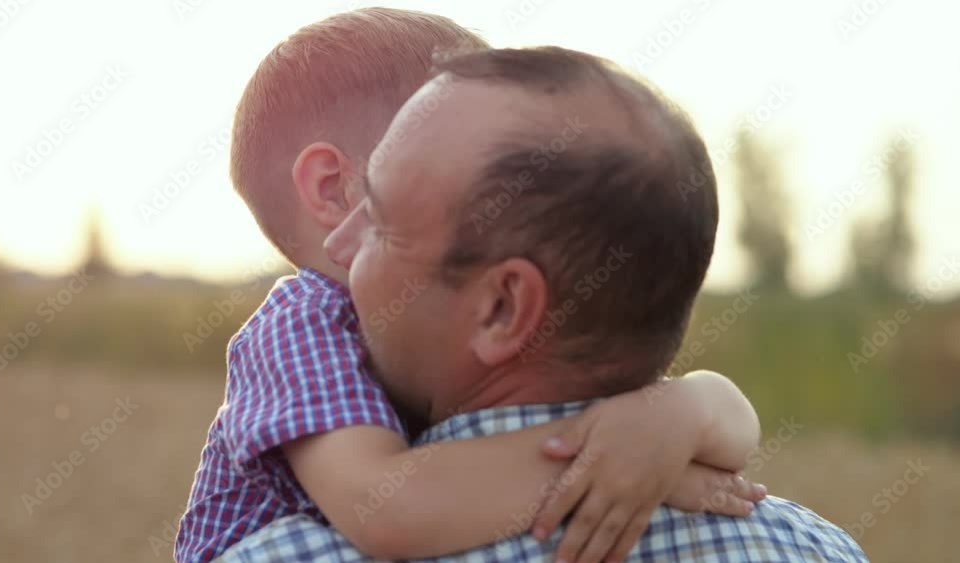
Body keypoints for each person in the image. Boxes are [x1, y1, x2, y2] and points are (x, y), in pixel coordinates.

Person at [216, 46, 869, 562]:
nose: (341, 242)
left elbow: (389, 510)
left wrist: (681, 413)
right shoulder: (819, 548)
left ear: (503, 308)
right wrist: (649, 450)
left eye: (382, 219)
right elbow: (388, 506)